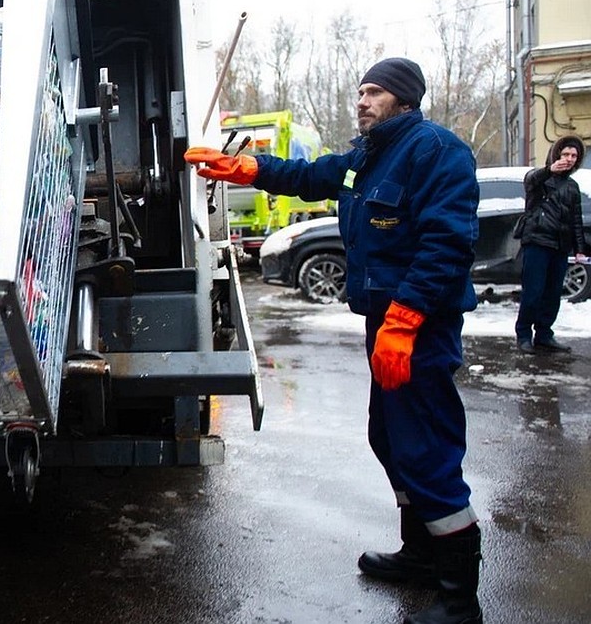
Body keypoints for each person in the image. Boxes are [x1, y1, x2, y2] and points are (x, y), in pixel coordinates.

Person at [186, 58, 483, 624]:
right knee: (391, 439)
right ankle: (421, 556)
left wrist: (405, 321)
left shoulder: (436, 151)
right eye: (361, 92)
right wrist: (244, 167)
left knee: (427, 450)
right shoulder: (366, 159)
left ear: (404, 99)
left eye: (374, 92)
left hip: (418, 327)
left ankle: (459, 599)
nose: (362, 101)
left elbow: (447, 245)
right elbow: (311, 177)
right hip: (386, 324)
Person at [514, 136, 588, 354]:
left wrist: (580, 248)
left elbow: (576, 219)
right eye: (565, 154)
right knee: (533, 291)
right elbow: (530, 180)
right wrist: (550, 170)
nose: (569, 159)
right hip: (537, 241)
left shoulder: (572, 187)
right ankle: (524, 335)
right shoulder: (541, 179)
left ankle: (544, 334)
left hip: (560, 245)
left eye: (574, 156)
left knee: (553, 293)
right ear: (557, 155)